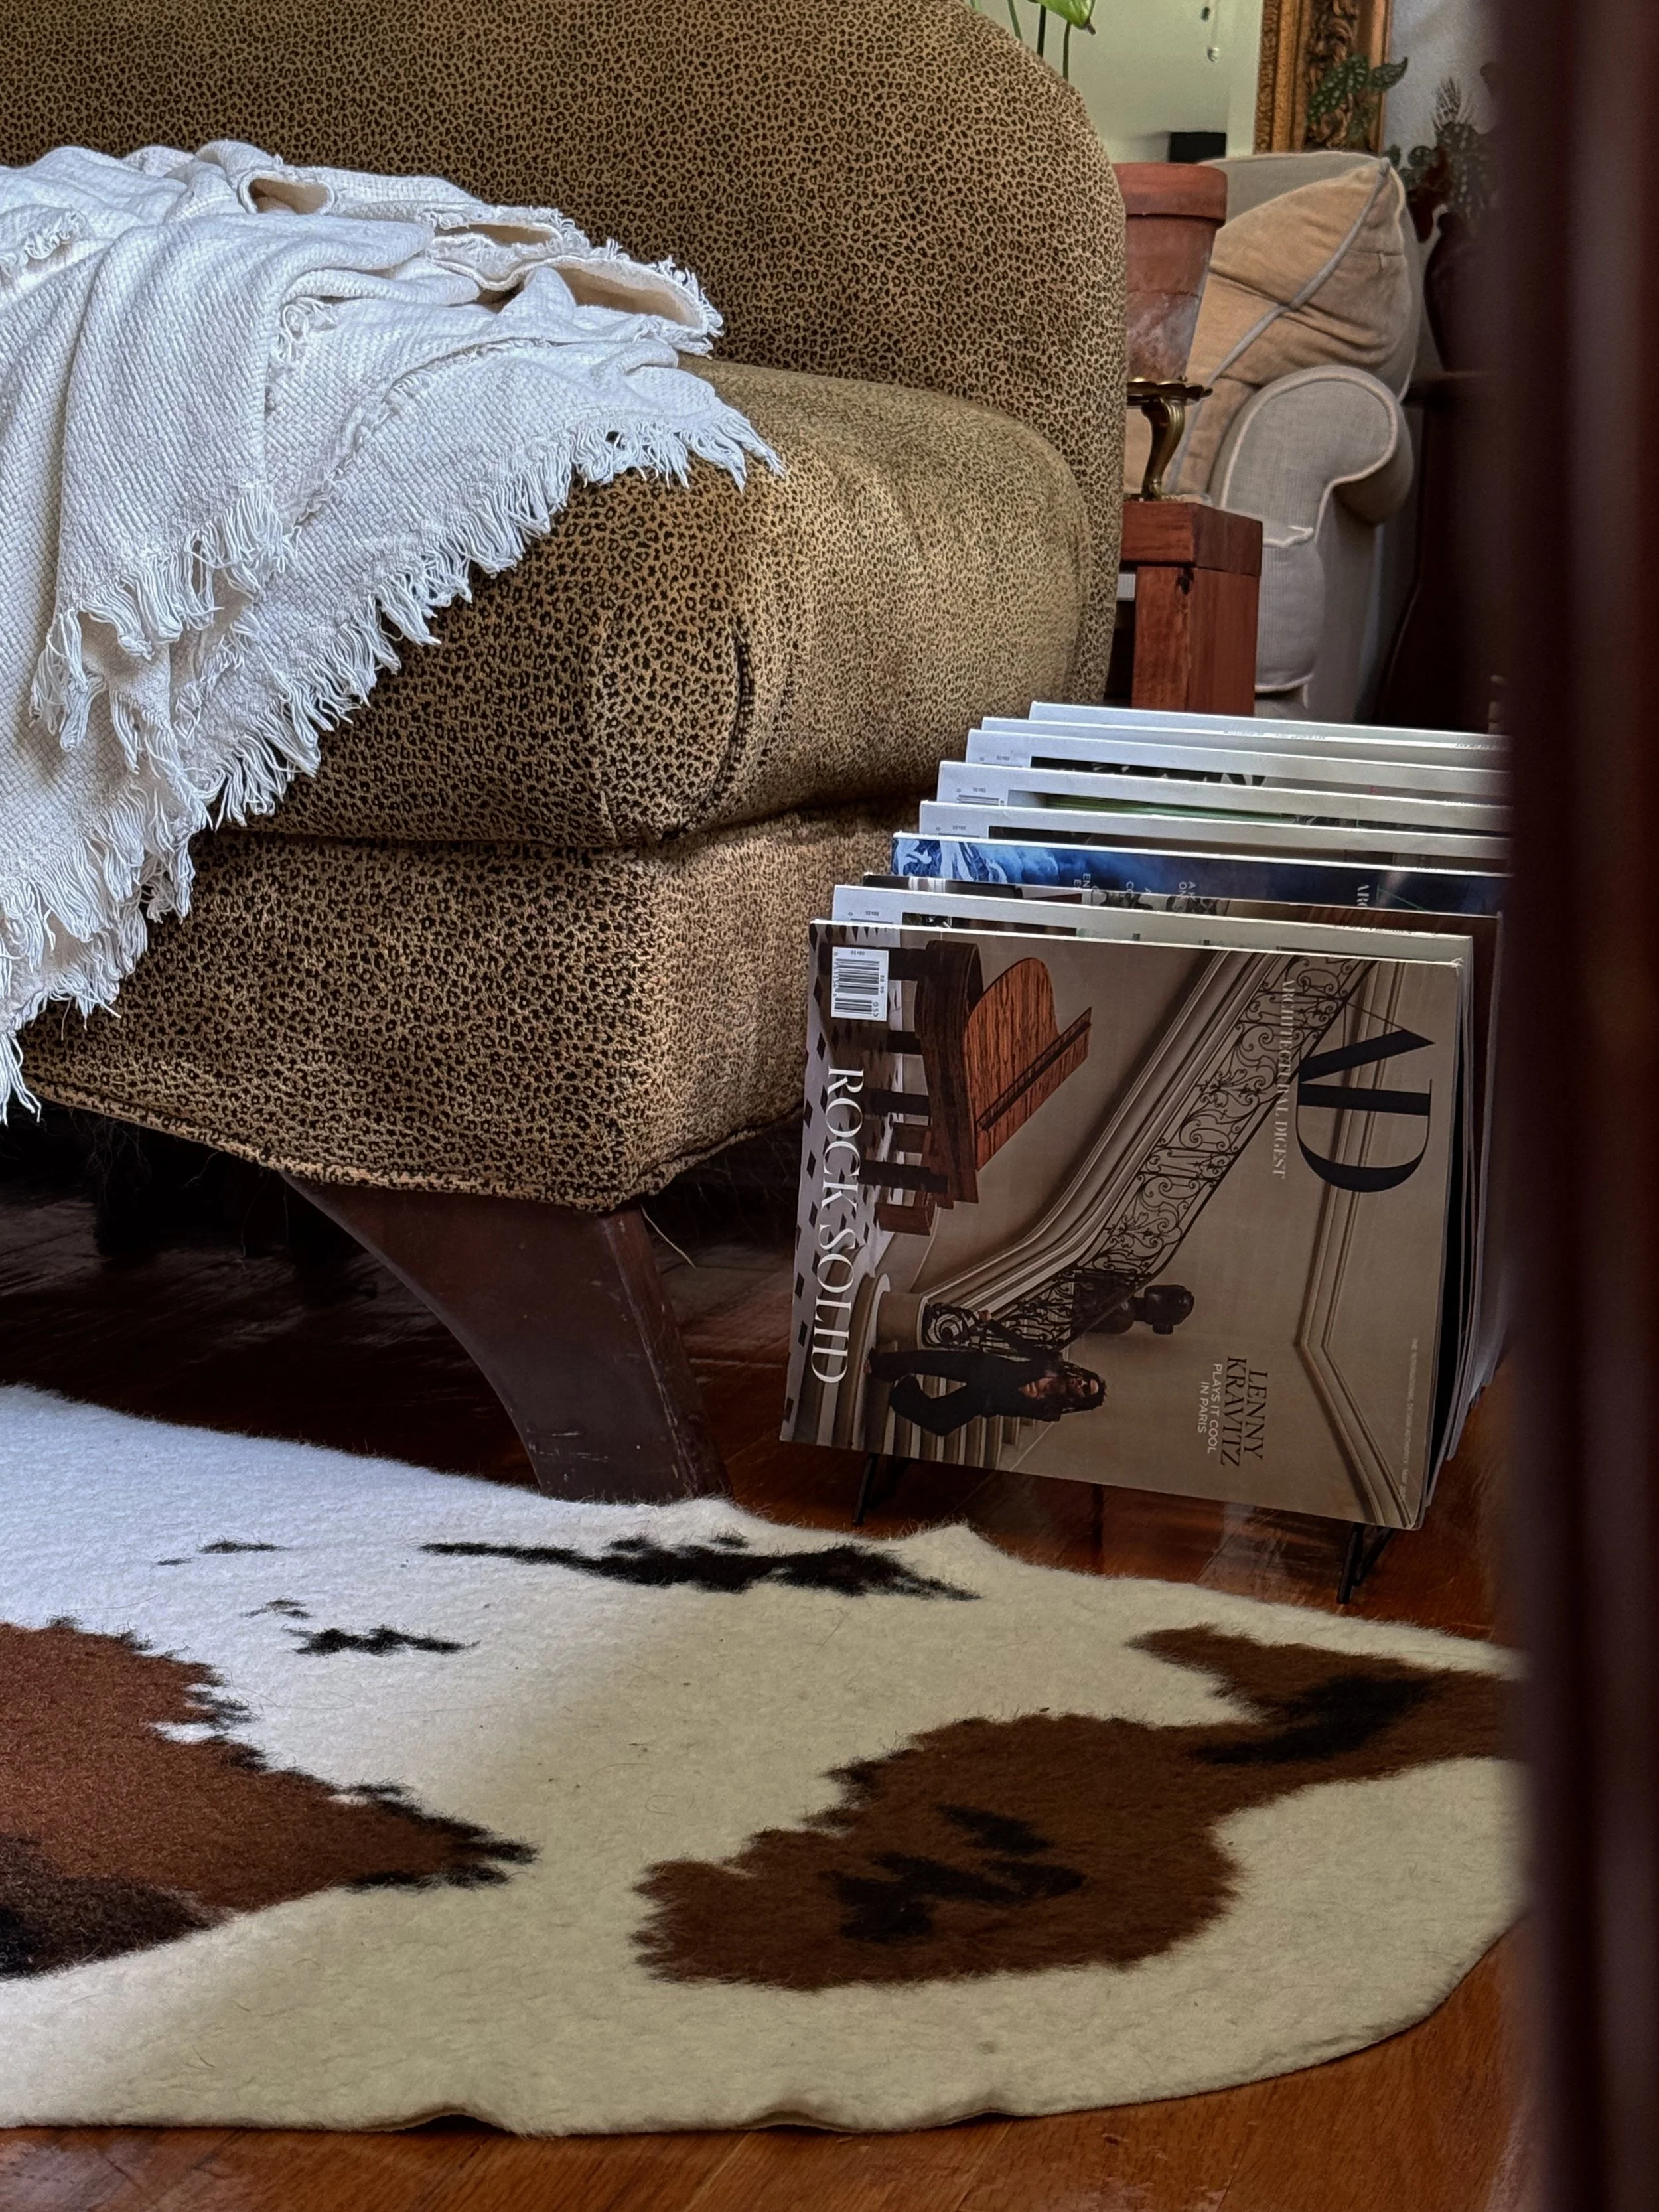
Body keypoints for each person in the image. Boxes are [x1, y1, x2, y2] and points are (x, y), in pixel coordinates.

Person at [867, 1344, 1105, 1438]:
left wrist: (1017, 1397)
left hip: (984, 1399)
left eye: (1086, 1390)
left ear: (1081, 1400)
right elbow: (1018, 1342)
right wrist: (990, 1324)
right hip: (986, 1369)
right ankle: (881, 1366)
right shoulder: (1055, 1362)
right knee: (930, 1360)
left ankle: (904, 1390)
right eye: (1086, 1380)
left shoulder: (1051, 1411)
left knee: (941, 1424)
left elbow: (1013, 1410)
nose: (1081, 1384)